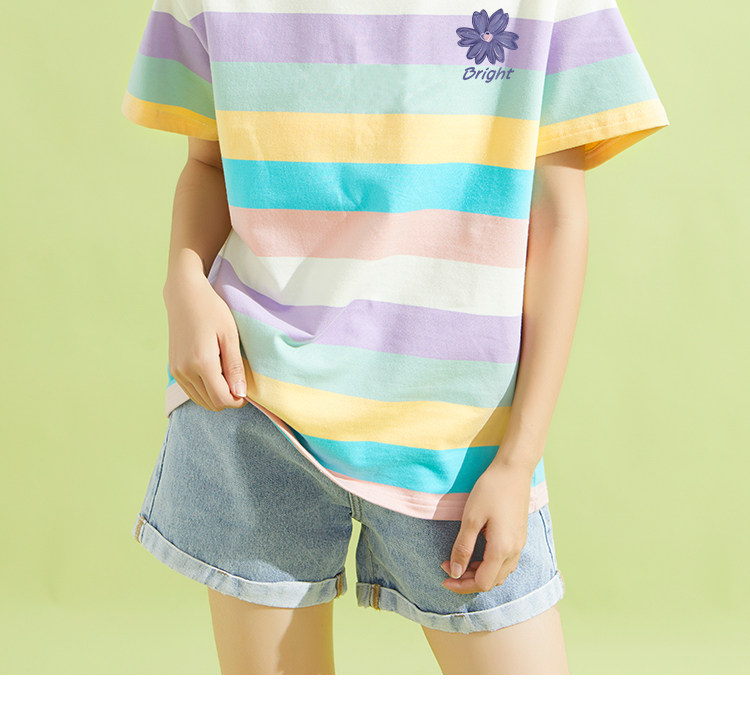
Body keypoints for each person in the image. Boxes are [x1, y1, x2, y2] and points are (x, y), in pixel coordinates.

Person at [121, 0, 669, 675]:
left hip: (456, 437)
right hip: (252, 405)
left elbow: (556, 216)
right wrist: (183, 283)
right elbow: (208, 164)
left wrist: (517, 459)